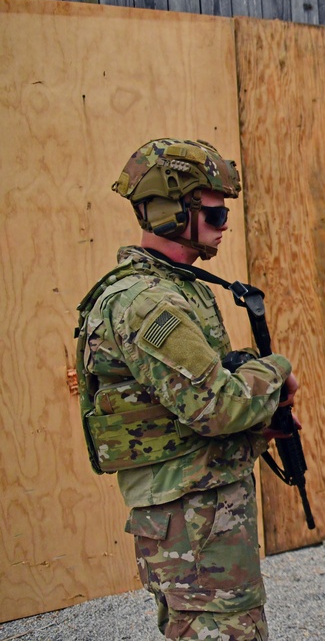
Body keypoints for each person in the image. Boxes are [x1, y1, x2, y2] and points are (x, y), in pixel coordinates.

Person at [75, 138, 299, 641]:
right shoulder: (148, 303)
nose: (225, 227)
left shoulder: (181, 286)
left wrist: (259, 418)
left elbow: (189, 392)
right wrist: (277, 369)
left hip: (200, 512)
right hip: (191, 524)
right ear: (173, 214)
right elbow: (216, 405)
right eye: (216, 216)